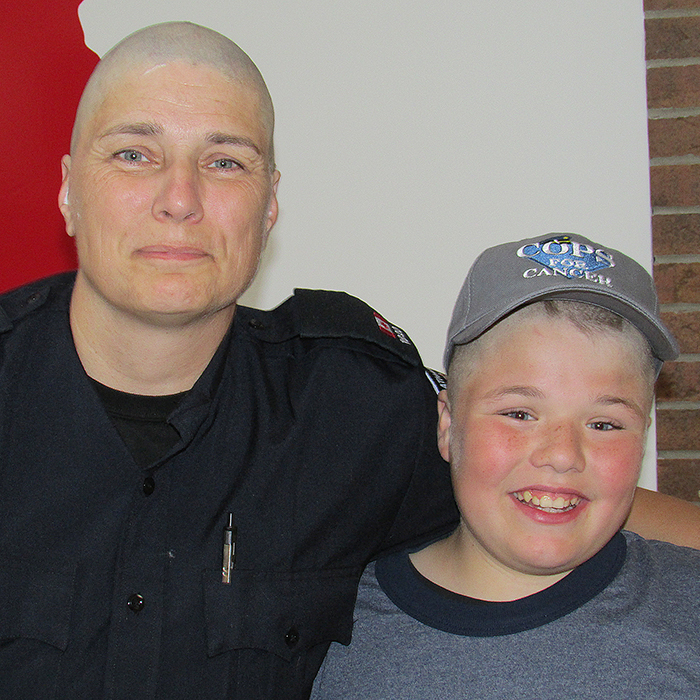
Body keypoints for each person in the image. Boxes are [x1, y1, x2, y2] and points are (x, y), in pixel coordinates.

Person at [0, 21, 697, 700]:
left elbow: (537, 462)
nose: (179, 199)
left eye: (224, 162)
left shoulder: (357, 406)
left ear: (269, 206)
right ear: (68, 189)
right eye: (133, 154)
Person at [311, 234, 700, 699]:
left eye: (604, 423)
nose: (561, 455)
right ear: (448, 425)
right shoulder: (325, 631)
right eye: (519, 414)